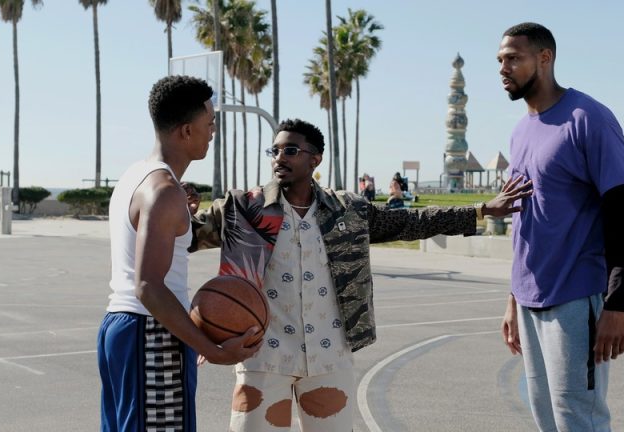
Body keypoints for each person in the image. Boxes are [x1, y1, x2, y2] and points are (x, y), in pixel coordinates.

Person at [190, 118, 533, 431]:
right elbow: (182, 234)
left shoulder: (348, 211)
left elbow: (411, 222)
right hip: (262, 354)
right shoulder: (243, 208)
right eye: (275, 150)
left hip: (329, 356)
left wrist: (480, 210)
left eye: (291, 150)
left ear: (315, 159)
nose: (280, 157)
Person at [496, 23, 624, 431]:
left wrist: (617, 305)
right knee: (547, 419)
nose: (503, 68)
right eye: (500, 60)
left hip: (576, 297)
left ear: (545, 58)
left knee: (579, 420)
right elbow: (525, 222)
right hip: (529, 300)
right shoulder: (520, 132)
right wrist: (513, 298)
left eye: (513, 58)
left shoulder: (588, 118)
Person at [97, 76, 261, 432]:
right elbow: (148, 286)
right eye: (209, 124)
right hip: (150, 334)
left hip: (122, 326)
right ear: (187, 131)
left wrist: (179, 212)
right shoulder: (164, 190)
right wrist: (213, 349)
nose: (213, 132)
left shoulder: (135, 176)